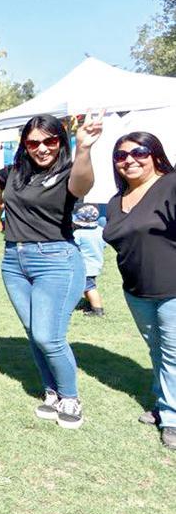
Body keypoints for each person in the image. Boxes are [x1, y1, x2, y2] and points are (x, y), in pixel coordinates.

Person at [0, 112, 103, 429]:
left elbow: (83, 183)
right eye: (33, 143)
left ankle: (70, 398)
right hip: (14, 260)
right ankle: (52, 392)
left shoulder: (68, 171)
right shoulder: (16, 172)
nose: (42, 148)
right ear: (25, 145)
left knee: (48, 336)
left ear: (60, 141)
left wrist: (84, 147)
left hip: (56, 259)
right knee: (34, 333)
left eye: (49, 141)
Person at [102, 132, 176, 451]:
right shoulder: (116, 201)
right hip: (136, 291)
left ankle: (172, 418)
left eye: (139, 152)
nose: (130, 159)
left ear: (155, 154)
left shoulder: (171, 184)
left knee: (173, 354)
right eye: (121, 155)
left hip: (172, 287)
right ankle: (164, 404)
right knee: (157, 351)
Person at [72, 204, 106, 316]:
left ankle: (97, 310)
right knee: (86, 286)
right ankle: (89, 304)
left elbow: (73, 247)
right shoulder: (101, 230)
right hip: (96, 264)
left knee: (90, 288)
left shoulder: (79, 234)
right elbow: (104, 244)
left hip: (85, 266)